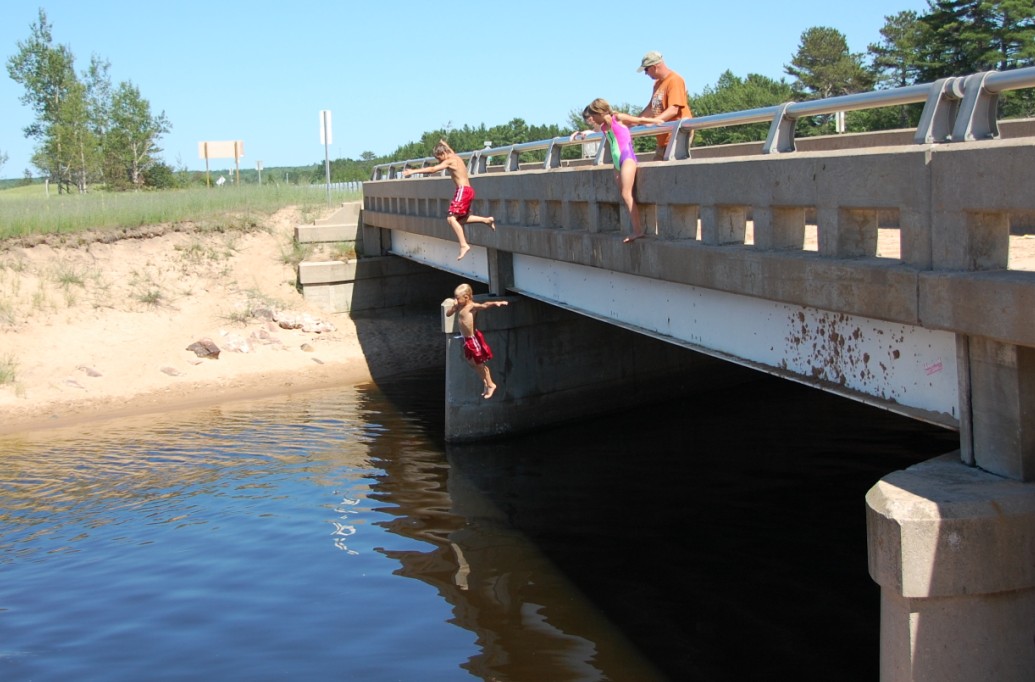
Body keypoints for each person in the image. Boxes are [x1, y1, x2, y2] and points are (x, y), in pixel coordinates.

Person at [572, 98, 664, 243]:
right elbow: (594, 132)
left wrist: (656, 121)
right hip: (617, 163)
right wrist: (581, 133)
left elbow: (637, 121)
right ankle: (636, 229)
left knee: (626, 194)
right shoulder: (602, 126)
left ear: (600, 112)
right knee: (624, 196)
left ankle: (638, 231)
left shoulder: (618, 118)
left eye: (593, 116)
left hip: (627, 158)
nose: (592, 119)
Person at [402, 139, 495, 260]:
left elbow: (433, 170)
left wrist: (413, 171)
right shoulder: (455, 156)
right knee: (460, 220)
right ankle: (486, 220)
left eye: (439, 158)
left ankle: (463, 245)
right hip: (468, 191)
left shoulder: (450, 160)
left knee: (451, 218)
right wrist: (444, 143)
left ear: (444, 153)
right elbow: (449, 149)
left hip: (463, 191)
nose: (439, 161)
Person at [445, 283, 509, 399]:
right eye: (455, 298)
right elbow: (448, 314)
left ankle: (490, 384)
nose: (456, 300)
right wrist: (454, 307)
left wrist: (495, 303)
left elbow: (484, 305)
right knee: (471, 362)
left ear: (466, 297)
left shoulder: (471, 307)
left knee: (479, 362)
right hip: (465, 339)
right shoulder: (459, 306)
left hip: (472, 338)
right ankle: (485, 382)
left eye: (457, 298)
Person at [637, 51, 691, 160]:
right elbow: (651, 108)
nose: (646, 73)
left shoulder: (674, 80)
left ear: (654, 67)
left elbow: (673, 109)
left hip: (676, 137)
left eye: (646, 70)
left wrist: (652, 122)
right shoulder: (657, 84)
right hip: (663, 140)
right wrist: (634, 122)